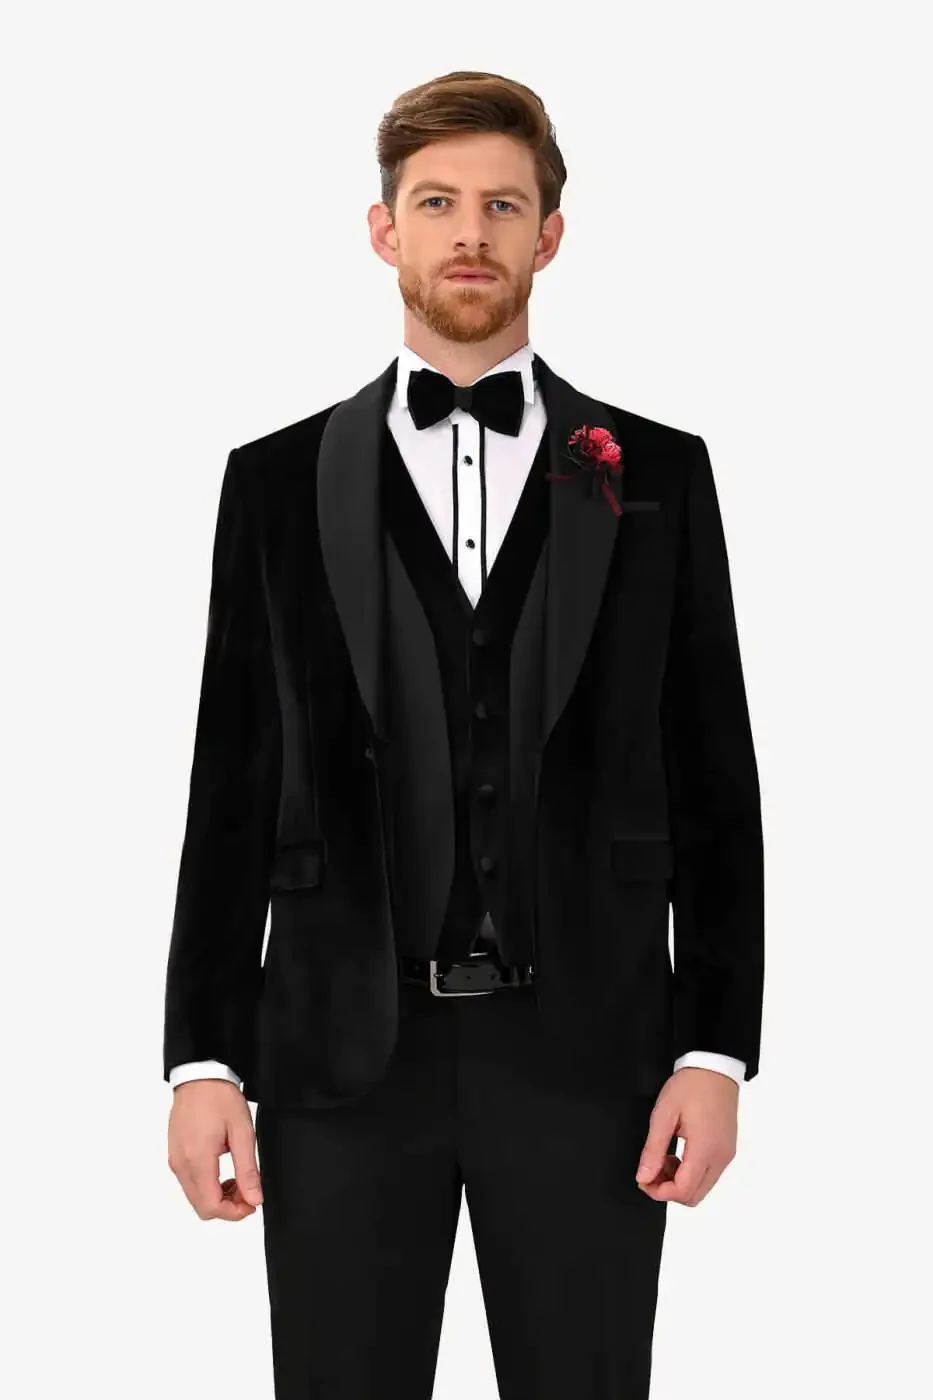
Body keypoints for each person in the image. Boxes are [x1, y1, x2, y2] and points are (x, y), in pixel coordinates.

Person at [163, 69, 764, 1400]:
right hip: (336, 1058)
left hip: (593, 1053)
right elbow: (231, 779)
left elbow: (717, 782)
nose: (470, 232)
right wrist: (203, 1058)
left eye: (502, 204)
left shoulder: (657, 474)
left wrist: (715, 1050)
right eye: (437, 203)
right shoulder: (274, 482)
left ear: (551, 234)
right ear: (386, 231)